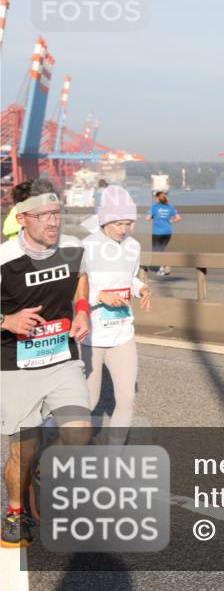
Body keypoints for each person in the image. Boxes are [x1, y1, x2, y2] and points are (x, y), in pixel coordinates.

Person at [1, 179, 91, 548]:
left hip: (61, 358)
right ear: (23, 218)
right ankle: (15, 511)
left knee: (79, 433)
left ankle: (44, 471)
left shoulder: (72, 248)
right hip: (14, 365)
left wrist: (82, 311)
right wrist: (6, 321)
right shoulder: (4, 259)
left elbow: (81, 280)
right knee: (23, 448)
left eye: (57, 213)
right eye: (44, 215)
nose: (53, 222)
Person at [81, 186, 151, 446]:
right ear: (105, 220)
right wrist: (99, 296)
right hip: (92, 335)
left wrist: (141, 287)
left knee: (127, 398)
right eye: (118, 223)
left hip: (122, 332)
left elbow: (129, 277)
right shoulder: (87, 246)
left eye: (129, 223)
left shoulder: (133, 246)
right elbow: (75, 288)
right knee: (89, 401)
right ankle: (63, 442)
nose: (124, 229)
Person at [147, 191, 180, 276]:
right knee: (161, 250)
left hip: (157, 232)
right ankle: (166, 265)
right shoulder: (170, 207)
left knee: (156, 251)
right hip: (168, 232)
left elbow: (147, 218)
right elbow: (178, 218)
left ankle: (162, 267)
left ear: (157, 198)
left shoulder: (154, 207)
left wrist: (154, 218)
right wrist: (171, 221)